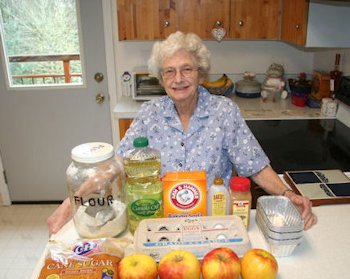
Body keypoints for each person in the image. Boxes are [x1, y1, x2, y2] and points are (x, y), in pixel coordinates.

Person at [47, 31, 317, 235]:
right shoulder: (150, 114)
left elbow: (255, 166)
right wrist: (69, 206)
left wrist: (287, 195)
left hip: (213, 224)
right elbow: (116, 166)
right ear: (161, 79)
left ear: (200, 74)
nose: (179, 79)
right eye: (170, 72)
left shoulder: (224, 112)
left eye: (187, 69)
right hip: (161, 224)